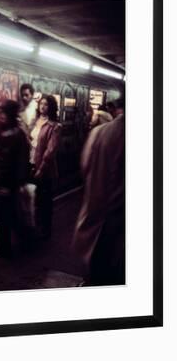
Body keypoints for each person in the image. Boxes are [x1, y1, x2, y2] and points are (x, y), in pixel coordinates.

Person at [73, 97, 125, 285]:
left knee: (97, 271)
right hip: (119, 230)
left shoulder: (99, 134)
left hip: (96, 218)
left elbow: (85, 167)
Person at [0, 100, 30, 258]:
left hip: (5, 183)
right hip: (13, 182)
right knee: (11, 214)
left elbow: (5, 162)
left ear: (9, 114)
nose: (0, 116)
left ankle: (3, 249)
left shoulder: (10, 134)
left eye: (3, 113)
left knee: (3, 216)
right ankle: (20, 242)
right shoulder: (18, 132)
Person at [30, 94, 62, 239]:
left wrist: (41, 169)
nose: (43, 106)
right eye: (41, 104)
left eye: (46, 104)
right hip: (30, 164)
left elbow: (50, 151)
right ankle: (35, 227)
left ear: (51, 107)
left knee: (45, 202)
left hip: (45, 169)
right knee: (34, 199)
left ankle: (46, 230)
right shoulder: (34, 121)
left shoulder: (55, 126)